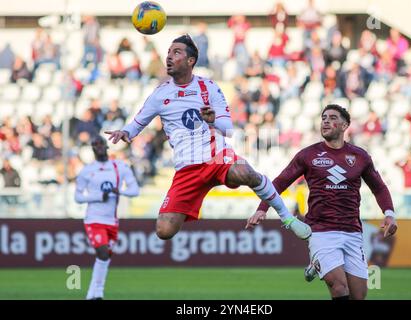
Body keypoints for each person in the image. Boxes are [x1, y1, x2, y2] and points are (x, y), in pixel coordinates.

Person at [105, 34, 311, 241]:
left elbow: (228, 129)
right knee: (164, 230)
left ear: (190, 61)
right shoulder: (160, 94)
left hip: (216, 158)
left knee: (246, 172)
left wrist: (212, 120)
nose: (169, 57)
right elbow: (138, 122)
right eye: (168, 52)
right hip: (187, 169)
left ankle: (287, 218)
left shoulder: (208, 87)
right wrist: (125, 132)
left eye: (176, 52)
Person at [246, 104, 398, 300]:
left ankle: (316, 265)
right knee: (339, 287)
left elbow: (379, 188)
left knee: (358, 295)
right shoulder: (308, 155)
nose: (326, 121)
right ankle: (319, 260)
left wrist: (389, 214)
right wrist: (262, 209)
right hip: (321, 232)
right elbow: (279, 182)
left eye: (332, 117)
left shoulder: (360, 156)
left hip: (352, 232)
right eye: (324, 117)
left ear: (345, 125)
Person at [75, 136, 139, 300]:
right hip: (94, 219)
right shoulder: (87, 171)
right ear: (92, 149)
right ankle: (93, 294)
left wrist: (121, 192)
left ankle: (97, 293)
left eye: (101, 143)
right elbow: (78, 197)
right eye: (95, 144)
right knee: (103, 253)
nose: (99, 147)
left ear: (106, 146)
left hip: (112, 220)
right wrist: (97, 197)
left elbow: (135, 190)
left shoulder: (119, 167)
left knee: (105, 257)